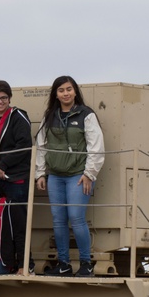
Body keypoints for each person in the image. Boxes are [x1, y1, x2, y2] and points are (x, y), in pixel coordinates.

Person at [34, 76, 105, 277]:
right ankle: (63, 264)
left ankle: (86, 263)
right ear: (55, 94)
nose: (65, 93)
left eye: (69, 89)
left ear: (75, 91)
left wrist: (89, 174)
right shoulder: (49, 116)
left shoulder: (86, 115)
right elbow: (41, 146)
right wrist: (40, 173)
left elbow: (96, 146)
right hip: (55, 176)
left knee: (76, 217)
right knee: (58, 220)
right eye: (61, 90)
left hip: (78, 175)